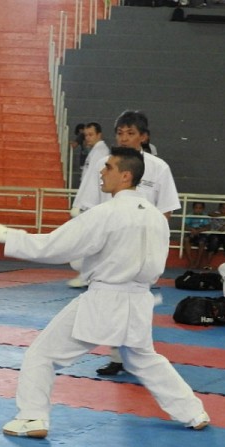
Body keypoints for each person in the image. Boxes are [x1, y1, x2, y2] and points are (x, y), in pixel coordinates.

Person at [0, 147, 210, 438]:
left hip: (105, 299)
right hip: (139, 300)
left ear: (125, 176)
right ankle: (194, 412)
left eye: (108, 167)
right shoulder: (157, 218)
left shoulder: (106, 213)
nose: (101, 171)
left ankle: (32, 418)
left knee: (42, 354)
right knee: (143, 359)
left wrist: (5, 236)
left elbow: (52, 247)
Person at [72, 110, 181, 376]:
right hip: (111, 244)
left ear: (143, 137)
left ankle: (137, 357)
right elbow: (92, 205)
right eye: (120, 133)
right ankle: (118, 357)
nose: (123, 138)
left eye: (130, 133)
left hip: (143, 247)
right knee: (111, 302)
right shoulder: (106, 164)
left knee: (137, 304)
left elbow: (165, 211)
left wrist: (154, 245)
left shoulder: (158, 167)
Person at [204, 202, 225, 268]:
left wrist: (224, 226)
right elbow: (209, 214)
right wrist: (223, 215)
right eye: (223, 208)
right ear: (219, 208)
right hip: (215, 234)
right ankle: (207, 265)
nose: (224, 210)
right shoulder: (216, 213)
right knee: (213, 244)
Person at [182, 201, 210, 269]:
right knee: (186, 239)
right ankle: (191, 262)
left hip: (201, 234)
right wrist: (192, 229)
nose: (198, 209)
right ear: (193, 208)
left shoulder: (205, 216)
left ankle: (197, 262)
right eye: (196, 208)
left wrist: (198, 231)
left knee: (202, 242)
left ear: (203, 209)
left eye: (200, 208)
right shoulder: (190, 215)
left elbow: (208, 227)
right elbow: (185, 226)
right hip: (191, 232)